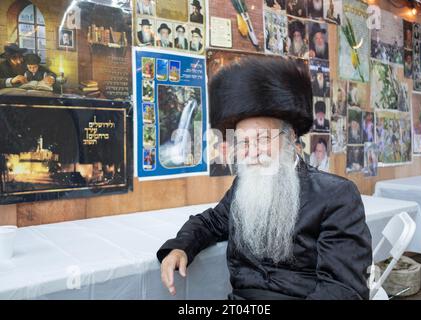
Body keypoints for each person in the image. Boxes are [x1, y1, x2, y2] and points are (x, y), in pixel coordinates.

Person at [157, 57, 372, 300]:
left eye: (262, 139)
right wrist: (180, 248)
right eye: (244, 143)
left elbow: (342, 289)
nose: (252, 152)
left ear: (289, 137)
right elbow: (210, 222)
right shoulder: (245, 185)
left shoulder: (336, 196)